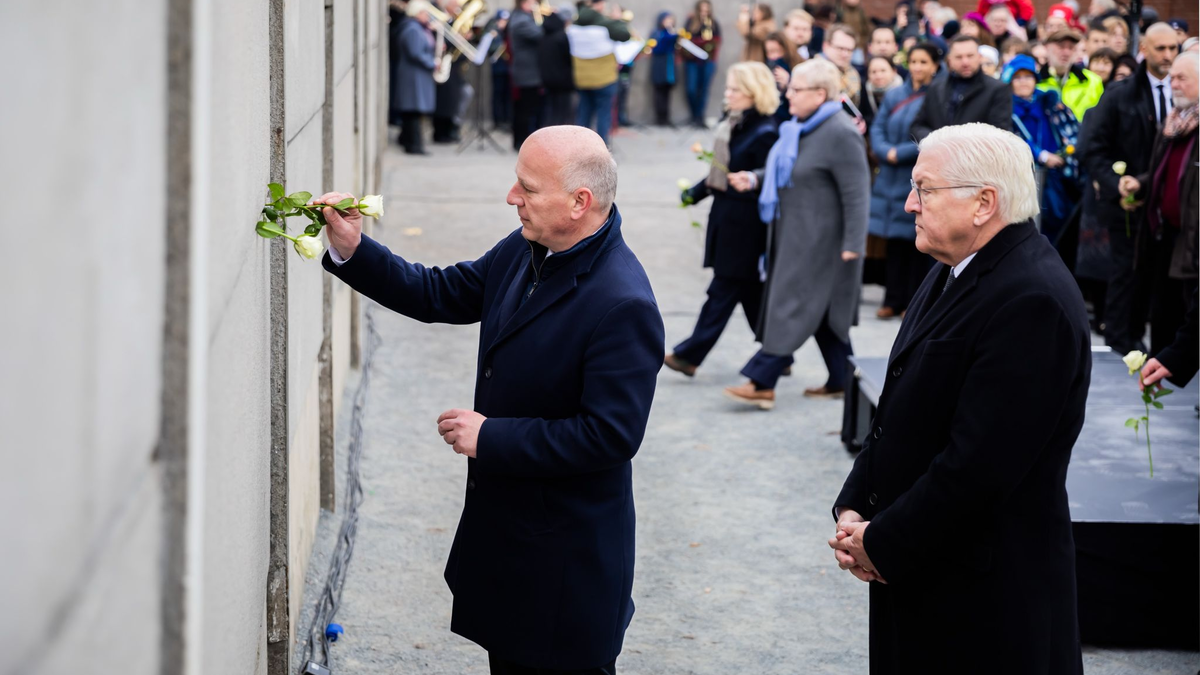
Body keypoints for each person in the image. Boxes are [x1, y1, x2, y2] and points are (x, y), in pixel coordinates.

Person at [317, 125, 664, 674]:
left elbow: (611, 436)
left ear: (580, 202)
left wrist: (491, 436)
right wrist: (354, 250)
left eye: (527, 187)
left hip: (567, 570)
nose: (511, 197)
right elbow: (440, 292)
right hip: (514, 546)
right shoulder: (531, 246)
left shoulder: (623, 303)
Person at [830, 122, 1090, 675]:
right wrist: (855, 505)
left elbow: (980, 466)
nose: (908, 204)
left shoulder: (1031, 299)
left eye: (924, 188)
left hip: (985, 599)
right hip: (927, 568)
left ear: (983, 203)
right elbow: (902, 409)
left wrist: (884, 540)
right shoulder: (956, 264)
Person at [723, 59, 870, 407]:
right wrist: (756, 178)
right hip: (796, 236)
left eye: (795, 89)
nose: (787, 94)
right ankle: (841, 379)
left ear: (820, 94)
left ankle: (762, 379)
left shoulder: (840, 131)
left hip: (823, 242)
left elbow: (857, 192)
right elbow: (793, 170)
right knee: (823, 314)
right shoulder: (799, 127)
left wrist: (853, 243)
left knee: (791, 305)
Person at [665, 63, 782, 377]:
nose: (727, 94)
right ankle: (778, 352)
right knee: (749, 294)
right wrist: (695, 193)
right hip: (728, 220)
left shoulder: (765, 131)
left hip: (745, 227)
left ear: (753, 93)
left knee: (722, 291)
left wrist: (739, 184)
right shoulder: (736, 123)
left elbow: (766, 183)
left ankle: (689, 355)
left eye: (734, 89)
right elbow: (721, 170)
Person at [1078, 22, 1179, 354]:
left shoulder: (1187, 93)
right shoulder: (1119, 95)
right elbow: (1092, 147)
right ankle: (1123, 339)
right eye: (1160, 48)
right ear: (1145, 50)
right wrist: (1115, 184)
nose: (1167, 55)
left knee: (1164, 277)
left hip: (1172, 204)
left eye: (1172, 48)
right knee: (1127, 271)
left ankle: (1163, 345)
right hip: (1127, 205)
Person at [1118, 51, 1199, 356]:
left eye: (1182, 78)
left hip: (1193, 242)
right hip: (1164, 236)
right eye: (1172, 77)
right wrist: (1140, 184)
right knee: (1165, 314)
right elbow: (1166, 172)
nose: (1173, 84)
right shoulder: (1173, 122)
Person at [870, 42, 941, 319]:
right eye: (913, 62)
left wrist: (898, 152)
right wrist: (882, 148)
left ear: (934, 66)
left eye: (924, 62)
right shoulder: (895, 94)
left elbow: (935, 133)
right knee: (894, 240)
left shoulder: (936, 94)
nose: (918, 67)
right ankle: (892, 298)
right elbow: (878, 125)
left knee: (916, 240)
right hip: (889, 175)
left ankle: (912, 301)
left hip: (914, 173)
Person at [1005, 53, 1081, 243]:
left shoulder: (1048, 102)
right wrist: (1041, 156)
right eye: (1018, 77)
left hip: (1054, 177)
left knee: (1057, 223)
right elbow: (1011, 139)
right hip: (1021, 178)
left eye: (1028, 76)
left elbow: (1069, 130)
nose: (1023, 82)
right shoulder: (1005, 107)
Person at [910, 35, 1012, 140]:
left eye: (970, 56)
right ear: (949, 60)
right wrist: (936, 142)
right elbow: (917, 126)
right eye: (959, 57)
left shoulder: (997, 89)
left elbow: (999, 133)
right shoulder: (936, 87)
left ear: (979, 57)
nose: (965, 62)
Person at [570, 0, 631, 145]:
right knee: (603, 114)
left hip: (582, 77)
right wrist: (617, 20)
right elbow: (625, 35)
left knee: (583, 113)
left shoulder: (575, 22)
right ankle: (602, 148)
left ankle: (579, 147)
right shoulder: (604, 23)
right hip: (604, 78)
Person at [395, 0, 439, 155]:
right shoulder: (412, 29)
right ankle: (414, 145)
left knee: (414, 111)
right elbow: (415, 53)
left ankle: (411, 142)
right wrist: (433, 63)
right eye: (424, 13)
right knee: (413, 110)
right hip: (413, 76)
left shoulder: (419, 28)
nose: (427, 16)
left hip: (417, 75)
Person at [1037, 28, 1105, 121]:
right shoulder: (1035, 82)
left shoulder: (1093, 81)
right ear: (1047, 48)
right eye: (1061, 47)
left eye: (1071, 48)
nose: (1066, 52)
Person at [509, 0, 544, 150]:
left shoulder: (521, 17)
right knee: (525, 109)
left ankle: (520, 141)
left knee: (524, 108)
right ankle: (521, 142)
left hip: (527, 71)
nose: (536, 4)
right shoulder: (522, 20)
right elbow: (540, 34)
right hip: (527, 72)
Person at [683, 0, 722, 128]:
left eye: (707, 9)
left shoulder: (713, 24)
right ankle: (694, 115)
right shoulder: (691, 22)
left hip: (708, 61)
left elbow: (717, 41)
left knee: (704, 89)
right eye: (702, 9)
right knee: (691, 89)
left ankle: (699, 117)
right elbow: (684, 39)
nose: (704, 12)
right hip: (692, 61)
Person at [539, 7, 575, 127]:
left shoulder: (544, 33)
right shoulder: (561, 36)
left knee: (550, 110)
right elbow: (568, 59)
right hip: (563, 80)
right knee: (563, 113)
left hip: (547, 78)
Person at [819, 23, 864, 105]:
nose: (845, 54)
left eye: (849, 50)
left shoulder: (853, 73)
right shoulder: (812, 73)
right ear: (825, 46)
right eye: (840, 48)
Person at [650, 11, 680, 126]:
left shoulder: (672, 33)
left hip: (669, 66)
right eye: (667, 20)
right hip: (659, 66)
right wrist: (670, 35)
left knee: (667, 93)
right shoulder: (657, 33)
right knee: (659, 93)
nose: (669, 22)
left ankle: (666, 118)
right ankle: (659, 118)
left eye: (671, 20)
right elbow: (657, 48)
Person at [863, 56, 904, 130]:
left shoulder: (905, 93)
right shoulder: (865, 92)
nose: (878, 76)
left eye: (883, 71)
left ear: (894, 71)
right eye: (873, 72)